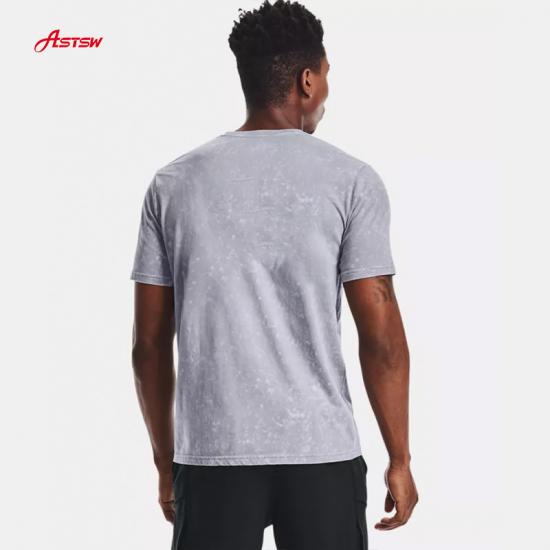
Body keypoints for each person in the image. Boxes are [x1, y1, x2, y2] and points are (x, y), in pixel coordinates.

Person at [130, 1, 418, 548]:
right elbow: (382, 339)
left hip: (212, 452)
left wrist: (166, 463)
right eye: (326, 76)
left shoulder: (173, 185)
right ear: (307, 81)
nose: (327, 91)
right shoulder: (351, 181)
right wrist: (399, 458)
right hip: (320, 452)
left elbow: (148, 346)